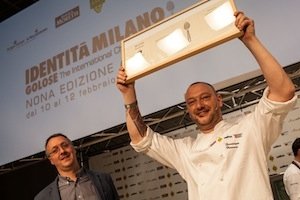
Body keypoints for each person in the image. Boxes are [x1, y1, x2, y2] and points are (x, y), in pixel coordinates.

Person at [116, 11, 297, 200]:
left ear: (219, 100)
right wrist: (128, 94)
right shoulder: (185, 150)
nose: (199, 105)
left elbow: (284, 91)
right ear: (188, 110)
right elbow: (140, 138)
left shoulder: (250, 128)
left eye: (205, 97)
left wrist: (250, 40)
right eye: (192, 102)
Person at [34, 133, 119, 200]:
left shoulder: (104, 179)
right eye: (55, 150)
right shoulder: (43, 197)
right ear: (51, 160)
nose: (62, 151)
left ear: (73, 149)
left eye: (65, 145)